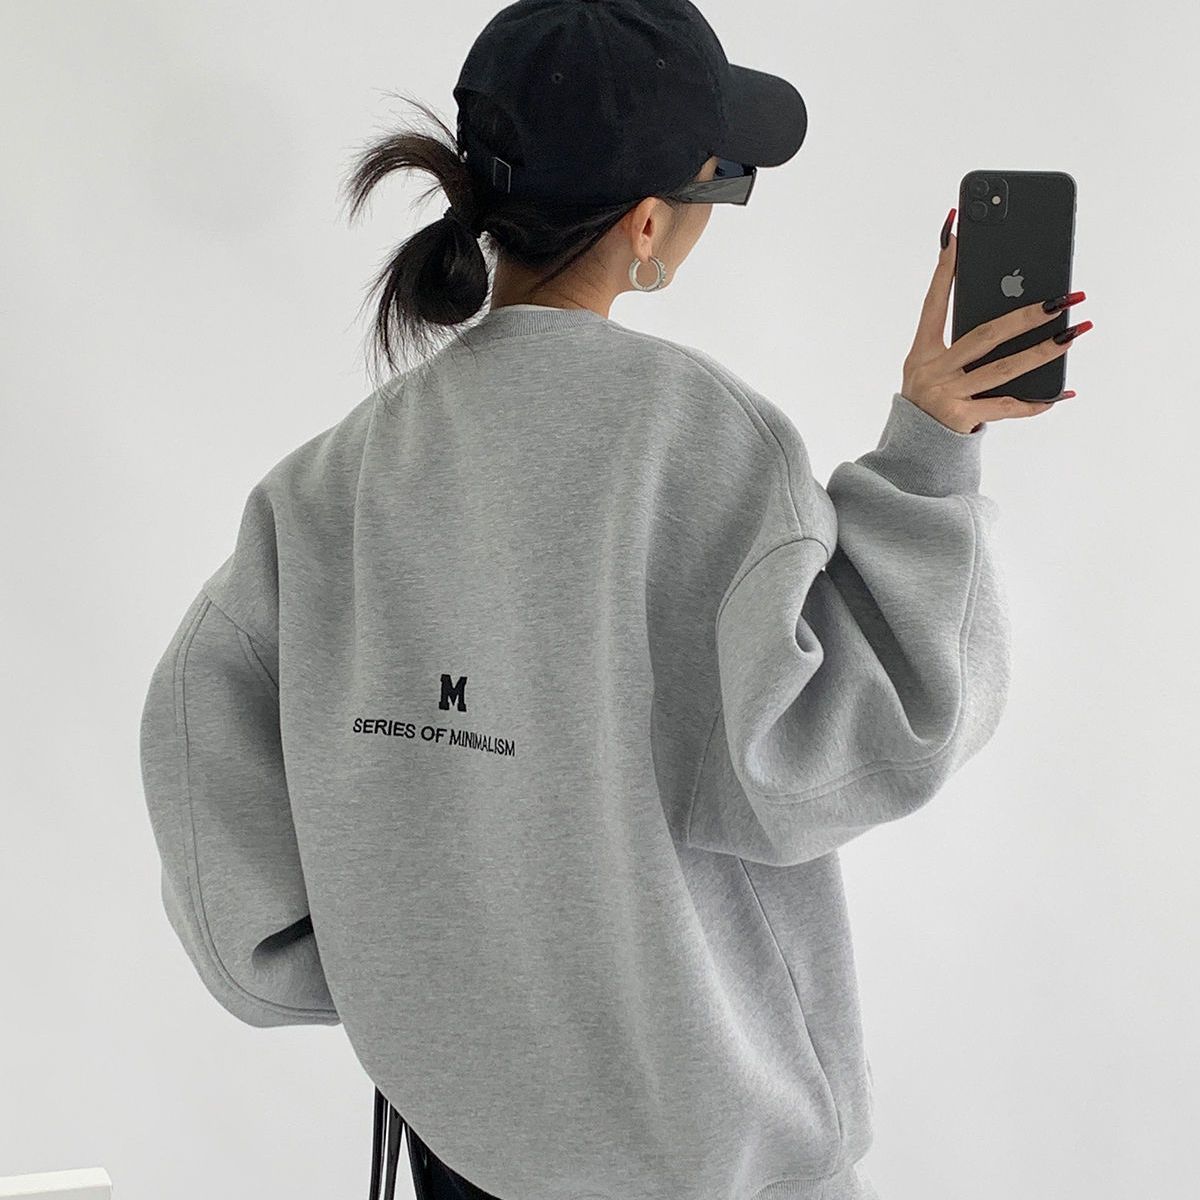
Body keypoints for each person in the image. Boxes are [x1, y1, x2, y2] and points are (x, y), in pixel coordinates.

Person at [138, 3, 1093, 1200]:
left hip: (461, 1152)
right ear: (649, 224)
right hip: (701, 1164)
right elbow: (867, 739)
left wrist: (404, 972)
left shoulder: (325, 486)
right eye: (720, 184)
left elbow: (202, 750)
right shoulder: (704, 445)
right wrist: (930, 451)